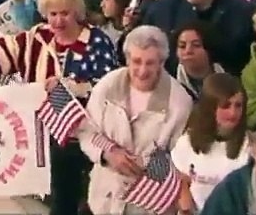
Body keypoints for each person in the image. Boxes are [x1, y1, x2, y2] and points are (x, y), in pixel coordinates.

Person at [0, 0, 118, 215]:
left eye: (65, 13)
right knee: (60, 198)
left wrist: (69, 86)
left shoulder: (97, 41)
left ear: (77, 11)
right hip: (46, 137)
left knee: (87, 202)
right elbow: (1, 49)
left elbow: (110, 86)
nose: (58, 20)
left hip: (88, 137)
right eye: (52, 13)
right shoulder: (37, 37)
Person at [79, 25, 192, 214]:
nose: (142, 70)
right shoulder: (108, 85)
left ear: (162, 63)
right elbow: (87, 131)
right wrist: (108, 155)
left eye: (150, 63)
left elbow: (180, 158)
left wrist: (144, 165)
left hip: (149, 202)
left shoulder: (180, 102)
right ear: (127, 59)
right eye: (136, 61)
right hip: (104, 198)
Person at [172, 73, 251, 213]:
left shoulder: (250, 145)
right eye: (225, 106)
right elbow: (181, 177)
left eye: (238, 105)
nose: (233, 113)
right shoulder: (187, 141)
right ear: (210, 107)